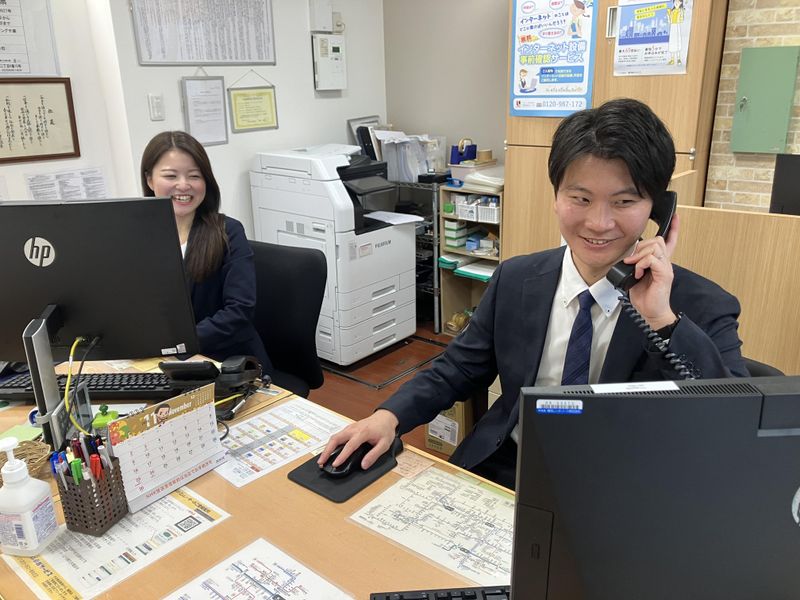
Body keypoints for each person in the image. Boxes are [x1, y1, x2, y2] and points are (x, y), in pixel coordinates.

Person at [319, 98, 747, 489]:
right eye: (580, 198)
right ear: (557, 196)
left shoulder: (699, 306)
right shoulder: (516, 279)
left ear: (659, 210)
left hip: (623, 489)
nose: (598, 223)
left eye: (623, 202)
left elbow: (732, 429)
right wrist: (388, 416)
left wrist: (661, 322)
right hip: (511, 465)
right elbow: (457, 368)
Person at [140, 131, 272, 373]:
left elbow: (239, 310)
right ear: (150, 180)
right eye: (170, 175)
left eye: (194, 176)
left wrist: (175, 345)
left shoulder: (227, 231)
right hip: (159, 359)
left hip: (227, 363)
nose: (183, 185)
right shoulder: (139, 235)